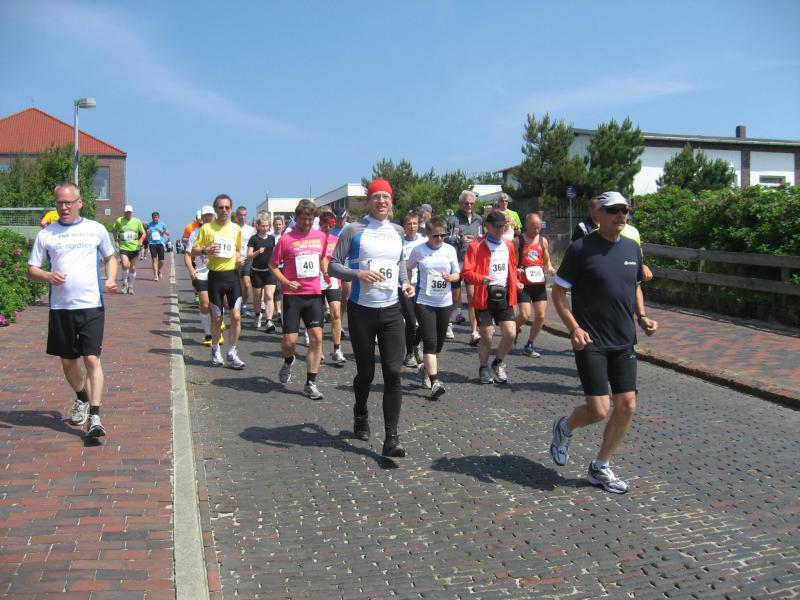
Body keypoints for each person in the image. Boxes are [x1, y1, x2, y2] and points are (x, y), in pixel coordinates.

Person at [549, 191, 658, 494]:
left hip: (623, 339)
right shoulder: (581, 249)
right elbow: (558, 293)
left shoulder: (632, 247)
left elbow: (635, 286)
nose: (621, 215)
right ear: (598, 214)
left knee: (627, 406)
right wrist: (574, 328)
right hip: (591, 340)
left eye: (625, 210)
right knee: (599, 410)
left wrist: (642, 316)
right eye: (614, 210)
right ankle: (564, 427)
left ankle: (600, 467)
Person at [329, 178, 415, 458]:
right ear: (368, 201)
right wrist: (358, 274)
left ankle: (392, 438)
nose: (381, 201)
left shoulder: (398, 231)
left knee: (393, 372)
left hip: (391, 311)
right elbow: (333, 266)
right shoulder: (353, 230)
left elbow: (399, 262)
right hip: (361, 311)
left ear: (391, 202)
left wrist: (405, 282)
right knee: (366, 373)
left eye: (385, 197)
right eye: (376, 197)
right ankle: (361, 412)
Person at [27, 183, 117, 439]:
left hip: (91, 305)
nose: (64, 207)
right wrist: (47, 275)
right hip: (61, 307)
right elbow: (31, 269)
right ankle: (82, 398)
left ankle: (95, 416)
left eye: (68, 202)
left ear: (80, 202)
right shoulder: (47, 234)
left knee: (92, 359)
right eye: (59, 203)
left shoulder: (95, 229)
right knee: (68, 361)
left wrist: (111, 279)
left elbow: (110, 257)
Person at [269, 199, 328, 399]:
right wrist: (285, 282)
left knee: (317, 338)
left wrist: (325, 271)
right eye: (304, 219)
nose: (307, 223)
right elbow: (273, 265)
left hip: (314, 294)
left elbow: (322, 257)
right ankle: (288, 360)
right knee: (289, 341)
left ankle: (310, 383)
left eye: (311, 219)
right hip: (293, 296)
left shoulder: (320, 236)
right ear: (296, 218)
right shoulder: (286, 239)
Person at [461, 210, 520, 384]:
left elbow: (511, 267)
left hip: (504, 295)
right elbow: (466, 272)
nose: (500, 230)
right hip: (484, 296)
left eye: (503, 227)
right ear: (488, 226)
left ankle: (498, 362)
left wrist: (516, 281)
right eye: (497, 227)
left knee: (511, 333)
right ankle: (483, 367)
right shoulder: (476, 246)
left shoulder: (508, 245)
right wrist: (482, 279)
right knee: (487, 336)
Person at [406, 217, 460, 399]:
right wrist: (408, 284)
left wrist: (451, 278)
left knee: (438, 344)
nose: (439, 239)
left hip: (444, 302)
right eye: (436, 235)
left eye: (443, 235)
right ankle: (435, 381)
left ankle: (425, 368)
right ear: (428, 234)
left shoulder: (449, 250)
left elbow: (457, 273)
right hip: (424, 301)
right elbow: (407, 267)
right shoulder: (419, 250)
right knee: (430, 341)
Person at [191, 194, 246, 369]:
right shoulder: (207, 228)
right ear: (216, 209)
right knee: (217, 318)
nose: (224, 210)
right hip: (215, 277)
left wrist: (239, 258)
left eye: (227, 207)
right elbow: (193, 250)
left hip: (232, 276)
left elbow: (237, 250)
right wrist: (205, 250)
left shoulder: (236, 229)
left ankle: (232, 352)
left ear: (231, 209)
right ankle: (215, 350)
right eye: (221, 207)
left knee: (236, 316)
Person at [515, 212, 556, 358]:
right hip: (523, 284)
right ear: (526, 226)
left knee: (540, 315)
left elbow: (546, 260)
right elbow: (510, 261)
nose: (536, 230)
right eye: (533, 227)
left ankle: (530, 344)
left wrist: (550, 268)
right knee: (525, 315)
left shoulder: (542, 241)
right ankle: (512, 329)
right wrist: (515, 269)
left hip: (538, 283)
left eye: (538, 227)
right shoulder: (518, 241)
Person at [446, 190, 483, 346]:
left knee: (472, 296)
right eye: (466, 203)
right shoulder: (452, 219)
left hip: (472, 262)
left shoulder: (478, 219)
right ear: (460, 203)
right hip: (456, 260)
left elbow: (482, 235)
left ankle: (474, 332)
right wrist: (460, 239)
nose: (469, 206)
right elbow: (445, 239)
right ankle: (448, 323)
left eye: (472, 204)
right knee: (455, 297)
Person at [185, 206, 218, 345]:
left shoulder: (220, 231)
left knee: (218, 305)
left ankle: (217, 331)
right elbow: (188, 255)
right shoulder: (195, 234)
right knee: (205, 304)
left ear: (214, 216)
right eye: (205, 216)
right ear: (201, 218)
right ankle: (208, 334)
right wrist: (191, 269)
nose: (208, 218)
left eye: (210, 215)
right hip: (202, 273)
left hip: (218, 272)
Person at [318, 209, 347, 365]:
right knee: (318, 316)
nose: (328, 229)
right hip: (317, 280)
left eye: (331, 226)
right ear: (320, 225)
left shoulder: (337, 240)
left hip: (333, 280)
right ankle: (318, 348)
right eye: (325, 226)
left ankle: (337, 349)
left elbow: (340, 260)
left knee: (336, 312)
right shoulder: (315, 239)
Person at [400, 211, 427, 368]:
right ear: (404, 226)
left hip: (422, 285)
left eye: (415, 223)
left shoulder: (424, 241)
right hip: (405, 286)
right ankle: (409, 353)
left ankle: (416, 344)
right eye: (409, 224)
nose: (412, 226)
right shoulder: (399, 242)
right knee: (410, 321)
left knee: (424, 322)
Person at [247, 213, 276, 329]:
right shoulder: (253, 239)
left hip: (269, 271)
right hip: (256, 271)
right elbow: (249, 256)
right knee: (257, 297)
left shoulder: (272, 238)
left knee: (269, 295)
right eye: (262, 226)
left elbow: (275, 253)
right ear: (258, 226)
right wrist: (258, 251)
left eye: (266, 226)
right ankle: (257, 315)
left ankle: (269, 320)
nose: (264, 228)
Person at [112, 205, 146, 295]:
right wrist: (116, 240)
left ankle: (131, 286)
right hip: (124, 247)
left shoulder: (137, 221)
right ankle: (124, 284)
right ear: (124, 213)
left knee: (133, 268)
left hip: (134, 248)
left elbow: (143, 233)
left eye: (130, 212)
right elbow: (114, 230)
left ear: (132, 212)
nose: (128, 214)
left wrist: (141, 240)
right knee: (125, 264)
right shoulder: (119, 221)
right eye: (127, 212)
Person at [235, 206, 256, 317]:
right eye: (240, 215)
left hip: (247, 260)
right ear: (237, 216)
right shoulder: (232, 228)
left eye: (244, 215)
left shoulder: (251, 230)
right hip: (234, 260)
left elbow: (255, 244)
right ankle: (235, 305)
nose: (242, 217)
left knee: (247, 284)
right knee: (237, 285)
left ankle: (244, 305)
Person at [146, 211, 169, 281]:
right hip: (152, 243)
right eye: (154, 217)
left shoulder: (162, 224)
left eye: (156, 217)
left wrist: (163, 232)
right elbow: (146, 234)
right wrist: (148, 233)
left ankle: (158, 270)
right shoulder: (149, 225)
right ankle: (156, 275)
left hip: (160, 243)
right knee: (154, 260)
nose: (155, 219)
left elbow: (168, 233)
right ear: (152, 218)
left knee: (162, 261)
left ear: (158, 217)